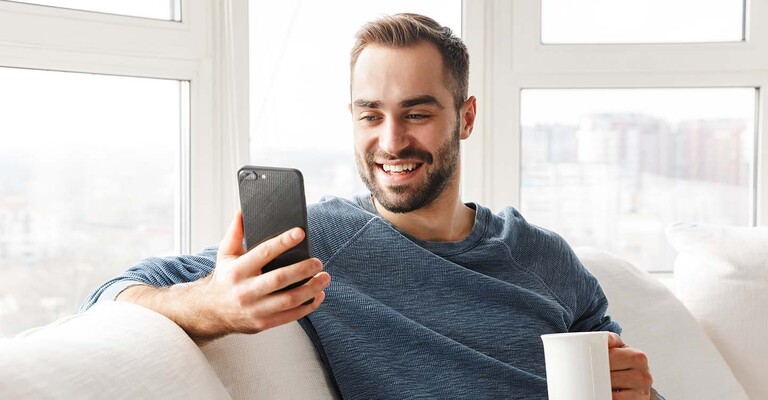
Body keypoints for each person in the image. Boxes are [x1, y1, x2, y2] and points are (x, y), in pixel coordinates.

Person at [82, 13, 662, 400]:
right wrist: (213, 304)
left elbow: (625, 375)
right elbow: (114, 291)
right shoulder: (321, 238)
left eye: (416, 113)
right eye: (369, 115)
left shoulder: (542, 256)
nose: (390, 142)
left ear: (465, 117)